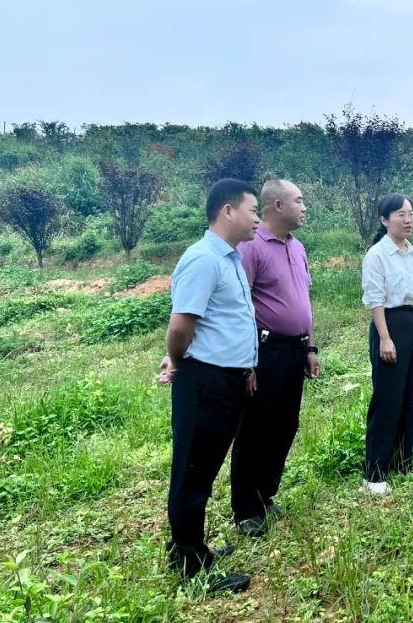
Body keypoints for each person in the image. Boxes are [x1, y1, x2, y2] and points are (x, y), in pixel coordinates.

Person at [160, 178, 260, 593]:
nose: (258, 218)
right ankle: (190, 566)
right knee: (193, 472)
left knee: (204, 469)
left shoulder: (231, 259)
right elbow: (181, 327)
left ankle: (191, 546)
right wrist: (182, 364)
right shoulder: (202, 259)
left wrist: (246, 365)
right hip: (205, 380)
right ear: (228, 210)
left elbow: (230, 322)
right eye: (253, 210)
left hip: (227, 379)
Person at [230, 179, 320, 537]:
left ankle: (265, 496)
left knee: (286, 424)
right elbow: (240, 306)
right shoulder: (251, 248)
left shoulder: (297, 247)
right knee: (255, 429)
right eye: (299, 201)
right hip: (265, 350)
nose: (305, 207)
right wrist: (248, 360)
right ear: (277, 206)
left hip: (295, 350)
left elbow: (304, 303)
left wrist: (311, 347)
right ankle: (246, 509)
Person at [360, 194, 413, 496]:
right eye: (401, 214)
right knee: (387, 398)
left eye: (411, 214)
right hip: (389, 325)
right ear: (384, 220)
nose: (408, 220)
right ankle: (374, 472)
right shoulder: (377, 255)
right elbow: (375, 299)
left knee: (409, 394)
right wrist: (385, 337)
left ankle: (402, 461)